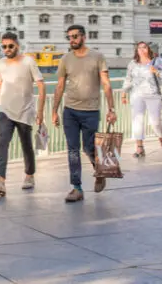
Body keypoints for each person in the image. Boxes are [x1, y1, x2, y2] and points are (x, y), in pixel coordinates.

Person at [51, 24, 116, 203]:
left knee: (88, 148)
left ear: (83, 37)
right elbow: (60, 86)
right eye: (69, 37)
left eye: (75, 36)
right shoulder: (65, 59)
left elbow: (106, 84)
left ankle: (100, 172)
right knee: (72, 150)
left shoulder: (97, 57)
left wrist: (112, 109)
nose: (71, 40)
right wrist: (54, 110)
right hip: (70, 111)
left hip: (91, 112)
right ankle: (76, 188)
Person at [0, 32, 46, 196]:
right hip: (4, 111)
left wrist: (40, 111)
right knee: (2, 143)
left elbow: (41, 85)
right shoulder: (0, 63)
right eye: (4, 46)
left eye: (10, 46)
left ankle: (29, 175)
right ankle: (0, 181)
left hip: (25, 110)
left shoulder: (28, 62)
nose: (7, 49)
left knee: (26, 144)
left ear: (17, 46)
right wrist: (0, 103)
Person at [121, 42, 162, 157]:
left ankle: (161, 138)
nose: (142, 50)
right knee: (137, 121)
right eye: (139, 48)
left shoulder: (157, 61)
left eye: (144, 47)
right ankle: (139, 147)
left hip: (153, 95)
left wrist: (157, 72)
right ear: (136, 50)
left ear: (148, 49)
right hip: (137, 95)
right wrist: (123, 93)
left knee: (155, 122)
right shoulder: (132, 63)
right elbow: (128, 79)